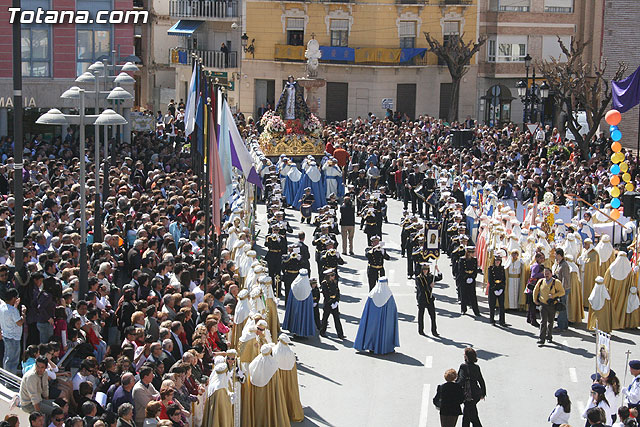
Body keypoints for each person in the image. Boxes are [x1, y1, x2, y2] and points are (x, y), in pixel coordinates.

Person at [354, 277, 399, 354]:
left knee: (371, 332)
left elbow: (367, 308)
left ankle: (371, 347)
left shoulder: (372, 293)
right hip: (384, 320)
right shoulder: (388, 295)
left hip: (372, 319)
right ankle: (384, 348)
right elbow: (392, 310)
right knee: (385, 330)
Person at [533, 267, 565, 345]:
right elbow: (535, 290)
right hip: (543, 305)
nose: (546, 275)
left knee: (550, 322)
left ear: (551, 274)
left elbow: (562, 292)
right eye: (545, 273)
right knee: (543, 322)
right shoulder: (541, 281)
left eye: (548, 273)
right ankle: (541, 338)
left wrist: (554, 295)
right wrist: (535, 300)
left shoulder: (556, 282)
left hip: (552, 305)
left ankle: (549, 336)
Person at [282, 269, 316, 338]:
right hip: (304, 307)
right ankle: (303, 333)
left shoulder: (294, 284)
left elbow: (290, 297)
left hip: (295, 305)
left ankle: (295, 331)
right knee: (304, 317)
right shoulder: (307, 287)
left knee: (295, 317)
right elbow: (309, 299)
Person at [456, 347, 486, 427]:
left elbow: (461, 380)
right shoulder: (476, 367)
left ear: (466, 356)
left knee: (472, 417)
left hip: (468, 394)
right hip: (476, 394)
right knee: (469, 414)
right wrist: (483, 393)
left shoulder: (463, 366)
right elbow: (481, 380)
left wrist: (454, 387)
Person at [0, 288, 26, 374]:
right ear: (14, 298)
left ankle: (6, 377)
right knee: (13, 360)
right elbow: (19, 323)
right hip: (14, 338)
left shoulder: (2, 307)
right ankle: (10, 380)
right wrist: (23, 314)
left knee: (7, 358)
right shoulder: (13, 310)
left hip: (6, 335)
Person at [415, 262, 441, 337]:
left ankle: (434, 331)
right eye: (424, 269)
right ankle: (421, 330)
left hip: (429, 298)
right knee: (421, 315)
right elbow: (421, 288)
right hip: (422, 299)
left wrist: (438, 270)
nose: (425, 271)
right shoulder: (418, 278)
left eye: (426, 269)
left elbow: (439, 278)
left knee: (433, 315)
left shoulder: (430, 276)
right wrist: (429, 285)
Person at [319, 269, 344, 339]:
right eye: (332, 275)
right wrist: (331, 303)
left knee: (337, 319)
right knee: (325, 318)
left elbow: (338, 292)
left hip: (334, 302)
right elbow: (326, 295)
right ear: (328, 276)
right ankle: (322, 332)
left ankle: (340, 334)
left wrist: (337, 301)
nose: (334, 277)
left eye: (334, 275)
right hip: (328, 303)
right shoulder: (324, 283)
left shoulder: (335, 282)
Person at [459, 246, 480, 317]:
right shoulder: (462, 260)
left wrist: (473, 277)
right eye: (471, 252)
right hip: (464, 279)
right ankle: (463, 309)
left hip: (472, 278)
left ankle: (476, 311)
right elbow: (460, 271)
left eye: (473, 252)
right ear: (467, 253)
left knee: (473, 296)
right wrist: (465, 278)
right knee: (463, 295)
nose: (472, 254)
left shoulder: (474, 260)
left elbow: (475, 270)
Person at [487, 254, 507, 326]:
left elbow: (504, 279)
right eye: (496, 260)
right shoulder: (490, 268)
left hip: (500, 288)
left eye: (499, 261)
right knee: (492, 305)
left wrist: (502, 288)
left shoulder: (502, 269)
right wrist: (494, 289)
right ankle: (492, 320)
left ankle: (502, 321)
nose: (497, 262)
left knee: (502, 306)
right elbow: (490, 280)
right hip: (493, 289)